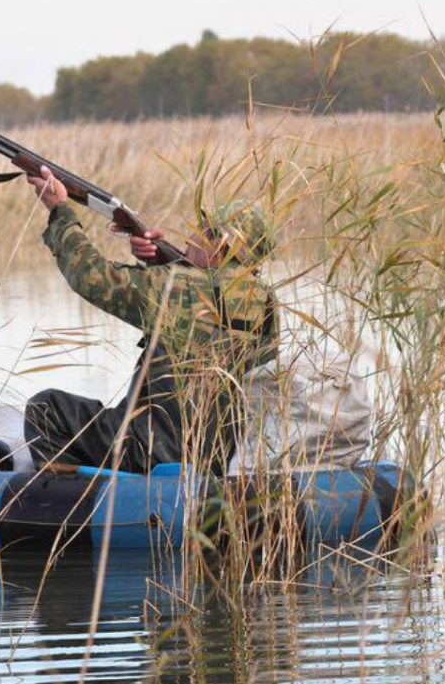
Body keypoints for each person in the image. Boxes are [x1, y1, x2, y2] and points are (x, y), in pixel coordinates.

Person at [23, 165, 279, 475]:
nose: (191, 238)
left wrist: (59, 210)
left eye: (201, 231)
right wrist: (160, 263)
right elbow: (211, 307)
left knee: (46, 409)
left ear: (219, 244)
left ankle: (69, 505)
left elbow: (91, 276)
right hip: (219, 456)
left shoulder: (175, 285)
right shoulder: (265, 300)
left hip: (151, 452)